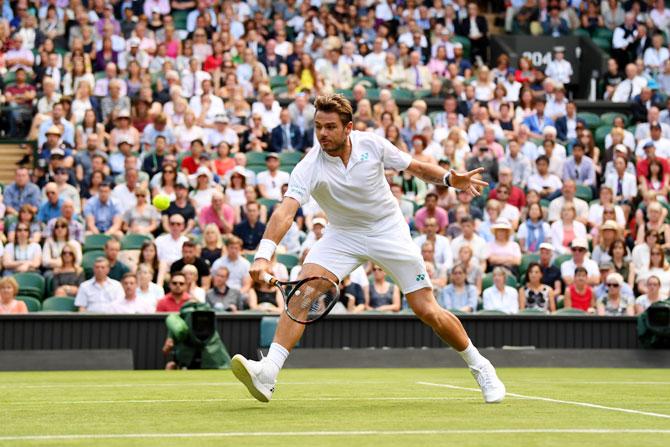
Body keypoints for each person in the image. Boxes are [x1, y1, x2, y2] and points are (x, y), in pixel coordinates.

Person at [231, 94, 504, 404]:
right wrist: (264, 254)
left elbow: (413, 167)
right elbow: (285, 211)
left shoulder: (371, 145)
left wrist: (448, 178)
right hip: (342, 235)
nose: (323, 134)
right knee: (305, 292)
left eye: (330, 127)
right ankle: (268, 373)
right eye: (318, 127)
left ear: (348, 128)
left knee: (426, 309)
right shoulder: (309, 165)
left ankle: (481, 366)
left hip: (388, 229)